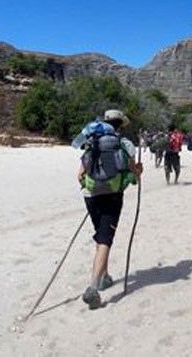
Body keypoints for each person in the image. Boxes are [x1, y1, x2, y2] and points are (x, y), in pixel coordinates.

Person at [75, 109, 143, 310]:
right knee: (105, 239)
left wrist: (93, 186)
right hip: (113, 196)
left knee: (101, 235)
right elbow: (133, 173)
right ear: (121, 125)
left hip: (90, 196)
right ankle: (93, 288)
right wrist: (137, 171)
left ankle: (104, 277)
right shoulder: (124, 144)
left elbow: (79, 175)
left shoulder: (92, 141)